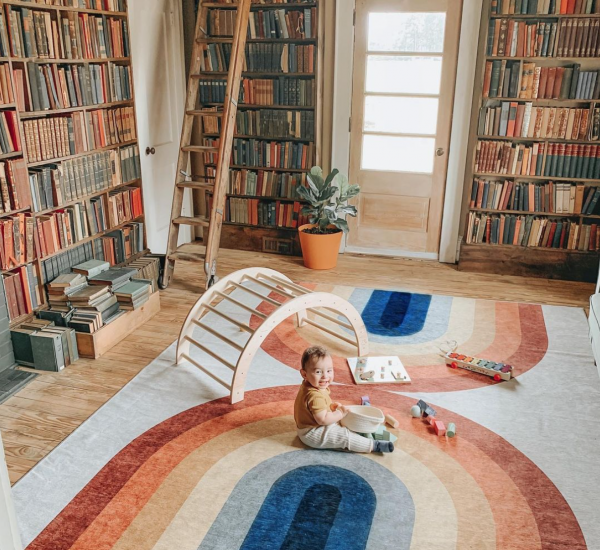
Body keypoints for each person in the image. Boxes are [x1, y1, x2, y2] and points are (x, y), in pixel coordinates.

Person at [294, 345, 394, 453]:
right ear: (304, 374)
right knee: (344, 436)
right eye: (318, 372)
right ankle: (374, 445)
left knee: (345, 419)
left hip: (315, 424)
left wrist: (331, 407)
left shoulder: (314, 385)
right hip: (311, 433)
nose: (325, 376)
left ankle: (360, 432)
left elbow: (316, 407)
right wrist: (340, 413)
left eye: (329, 371)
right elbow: (322, 420)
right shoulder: (314, 395)